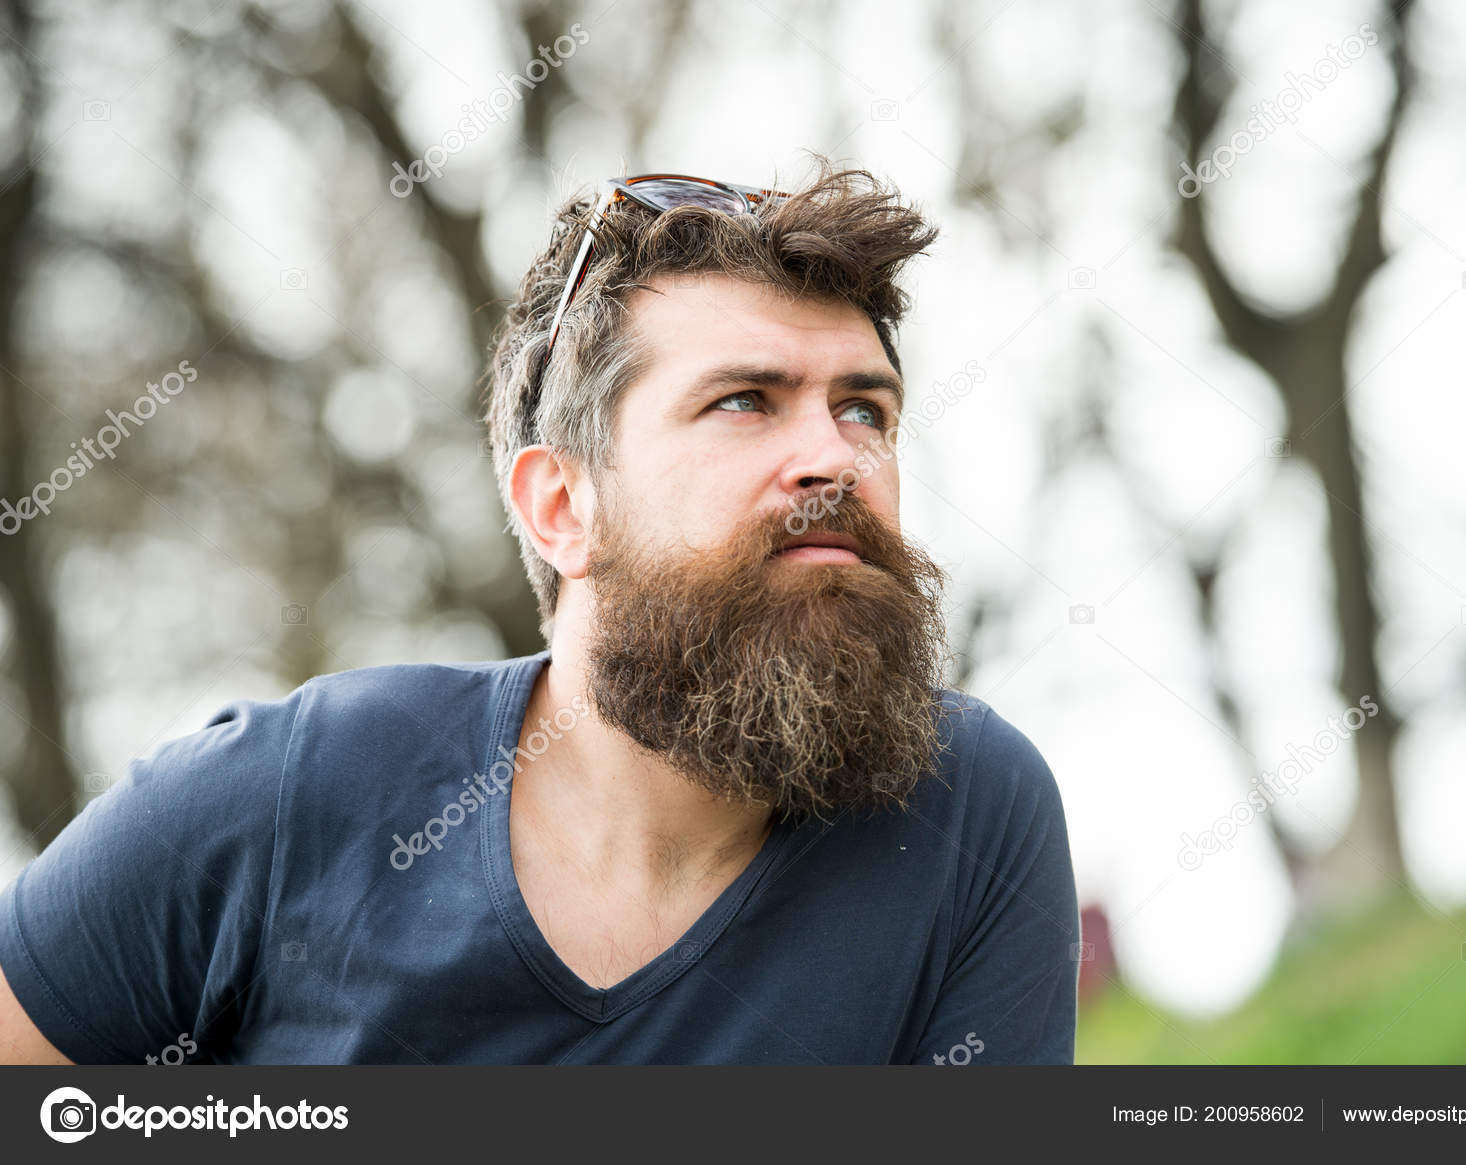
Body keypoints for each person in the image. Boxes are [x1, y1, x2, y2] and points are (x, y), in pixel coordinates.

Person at [0, 160, 1079, 1064]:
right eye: (744, 400)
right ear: (562, 505)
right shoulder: (285, 800)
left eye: (864, 408)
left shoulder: (963, 815)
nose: (833, 457)